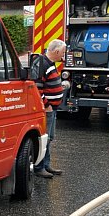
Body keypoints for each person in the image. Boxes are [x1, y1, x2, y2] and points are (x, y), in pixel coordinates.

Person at [32, 39, 67, 178]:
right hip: (48, 109)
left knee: (49, 138)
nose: (63, 56)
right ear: (57, 51)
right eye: (62, 53)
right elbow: (37, 87)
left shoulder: (49, 64)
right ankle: (39, 167)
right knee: (44, 138)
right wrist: (46, 105)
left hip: (53, 108)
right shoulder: (43, 64)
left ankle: (46, 165)